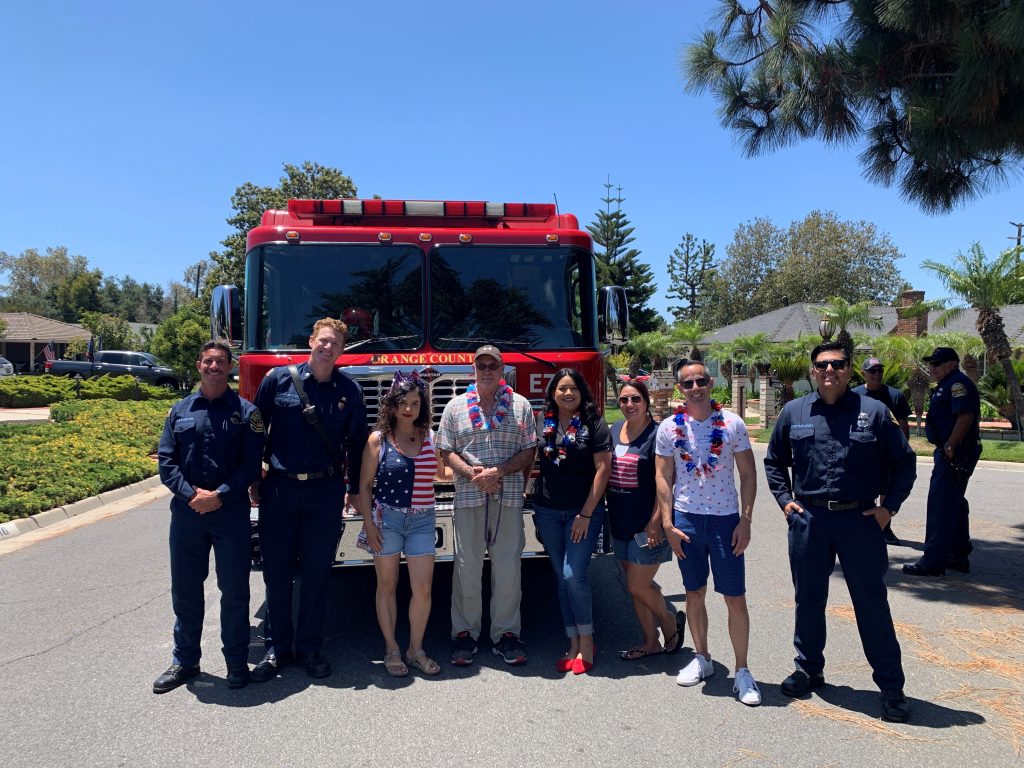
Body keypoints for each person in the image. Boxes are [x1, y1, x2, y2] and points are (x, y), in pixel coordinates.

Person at [764, 341, 916, 723]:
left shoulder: (875, 413)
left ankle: (892, 688)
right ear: (812, 371)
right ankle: (809, 669)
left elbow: (904, 464)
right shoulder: (793, 412)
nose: (829, 370)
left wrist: (887, 508)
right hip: (810, 521)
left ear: (849, 370)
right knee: (808, 599)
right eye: (822, 364)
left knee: (871, 604)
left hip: (860, 522)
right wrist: (785, 501)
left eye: (837, 364)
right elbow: (774, 462)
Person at [250, 317, 369, 681]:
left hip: (324, 491)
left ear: (342, 349)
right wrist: (255, 479)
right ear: (311, 341)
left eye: (335, 343)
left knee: (317, 573)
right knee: (278, 572)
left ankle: (309, 647)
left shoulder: (350, 392)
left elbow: (358, 445)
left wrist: (352, 490)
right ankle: (276, 648)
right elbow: (255, 431)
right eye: (323, 341)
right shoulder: (277, 381)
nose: (328, 347)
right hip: (280, 489)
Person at [154, 341, 264, 693]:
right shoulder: (179, 411)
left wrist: (219, 496)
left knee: (234, 591)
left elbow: (251, 464)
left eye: (220, 361)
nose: (214, 366)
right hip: (187, 515)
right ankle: (185, 661)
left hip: (229, 514)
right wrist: (193, 496)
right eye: (208, 361)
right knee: (185, 591)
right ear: (199, 365)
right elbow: (166, 462)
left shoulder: (247, 413)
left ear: (230, 368)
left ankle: (235, 662)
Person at [656, 360, 761, 706]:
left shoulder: (733, 424)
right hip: (686, 521)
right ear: (679, 388)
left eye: (701, 380)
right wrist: (668, 524)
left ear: (711, 383)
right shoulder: (670, 428)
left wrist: (745, 520)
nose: (695, 387)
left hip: (725, 520)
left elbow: (747, 474)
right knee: (694, 592)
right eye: (688, 383)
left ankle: (743, 671)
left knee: (734, 597)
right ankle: (703, 658)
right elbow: (663, 477)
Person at [437, 345, 537, 666]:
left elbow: (528, 450)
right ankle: (464, 634)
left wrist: (500, 471)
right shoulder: (454, 407)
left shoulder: (520, 406)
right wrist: (472, 475)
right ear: (474, 370)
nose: (488, 370)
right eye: (482, 365)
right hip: (468, 497)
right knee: (466, 567)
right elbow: (446, 450)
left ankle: (506, 634)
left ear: (502, 368)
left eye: (493, 365)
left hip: (507, 496)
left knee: (508, 567)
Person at [357, 371, 442, 677]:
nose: (409, 408)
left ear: (423, 406)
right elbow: (365, 486)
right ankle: (392, 648)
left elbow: (442, 474)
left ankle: (415, 649)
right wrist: (370, 525)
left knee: (423, 587)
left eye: (416, 403)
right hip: (388, 520)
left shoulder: (430, 437)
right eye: (403, 402)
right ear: (391, 406)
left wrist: (473, 468)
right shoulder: (378, 440)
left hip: (423, 520)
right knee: (388, 584)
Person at [533, 368, 611, 675]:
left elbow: (603, 470)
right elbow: (531, 459)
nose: (568, 394)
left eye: (573, 389)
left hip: (583, 513)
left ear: (582, 393)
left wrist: (586, 514)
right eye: (562, 389)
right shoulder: (543, 422)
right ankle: (573, 643)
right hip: (548, 511)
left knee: (572, 575)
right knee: (560, 576)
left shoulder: (595, 423)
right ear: (553, 392)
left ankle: (588, 641)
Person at [606, 378, 684, 662]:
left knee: (637, 585)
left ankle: (670, 621)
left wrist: (656, 522)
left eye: (635, 399)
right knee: (635, 586)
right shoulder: (615, 429)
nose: (629, 405)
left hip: (646, 523)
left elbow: (665, 481)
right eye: (624, 400)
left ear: (646, 402)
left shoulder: (657, 434)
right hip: (620, 520)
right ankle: (650, 641)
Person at [903, 347, 981, 577]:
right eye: (931, 364)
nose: (932, 368)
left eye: (936, 364)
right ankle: (958, 554)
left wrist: (950, 446)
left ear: (951, 364)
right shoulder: (949, 384)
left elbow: (964, 417)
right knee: (954, 502)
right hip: (952, 450)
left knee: (940, 505)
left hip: (954, 452)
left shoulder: (957, 384)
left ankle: (933, 561)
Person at [852, 357, 912, 546]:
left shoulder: (894, 396)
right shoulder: (854, 395)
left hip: (886, 453)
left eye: (880, 371)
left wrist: (899, 451)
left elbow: (903, 425)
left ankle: (885, 527)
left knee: (886, 489)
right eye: (873, 371)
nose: (877, 374)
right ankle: (861, 524)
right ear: (863, 374)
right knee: (864, 489)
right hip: (863, 451)